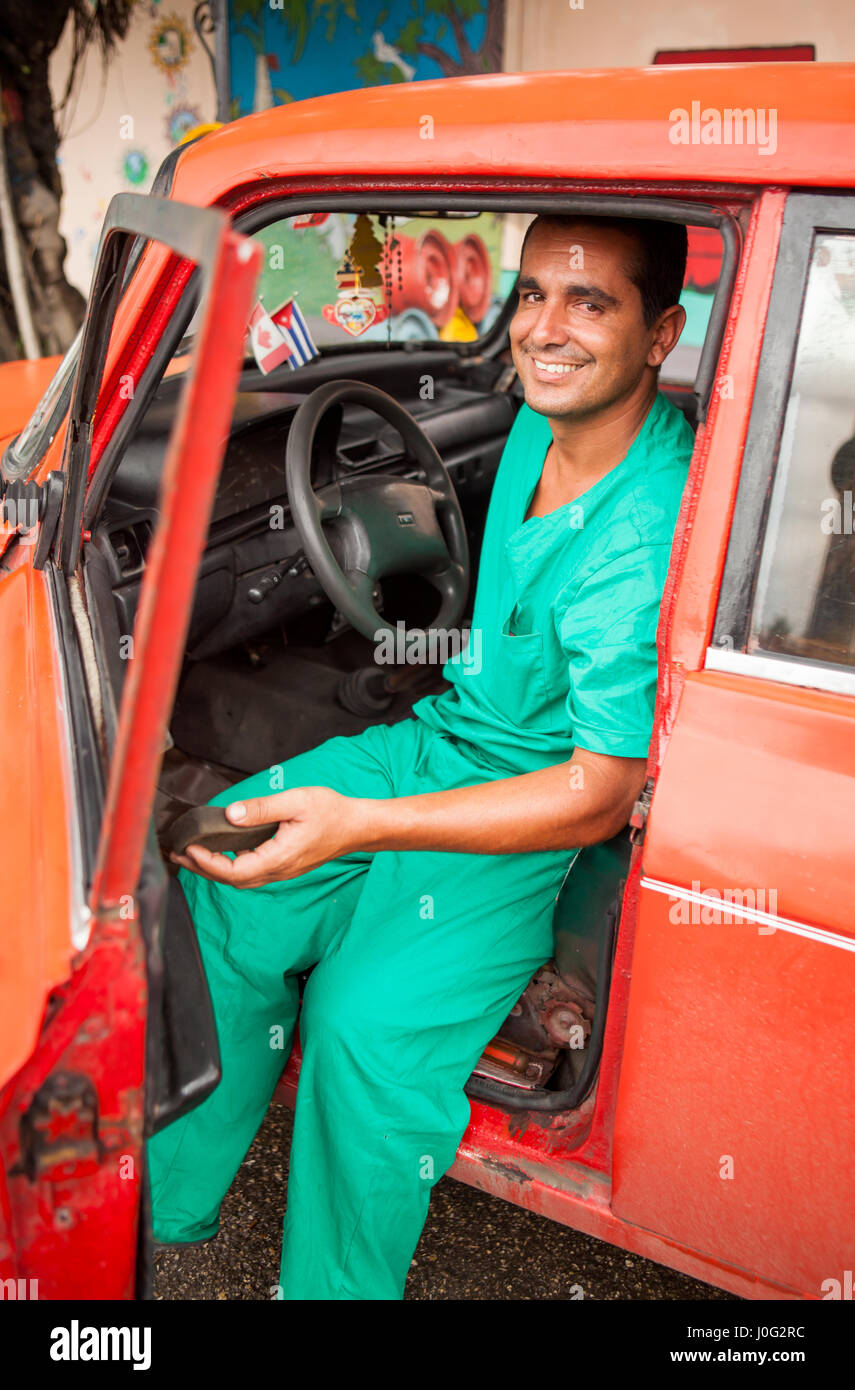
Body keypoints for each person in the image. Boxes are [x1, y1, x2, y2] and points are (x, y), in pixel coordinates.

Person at [147, 213, 693, 1300]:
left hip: (528, 813)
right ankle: (171, 1205)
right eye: (533, 293)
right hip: (439, 736)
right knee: (223, 867)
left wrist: (365, 824)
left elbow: (598, 794)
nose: (547, 328)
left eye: (592, 303)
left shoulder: (640, 530)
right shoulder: (543, 415)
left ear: (662, 333)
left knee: (364, 1032)